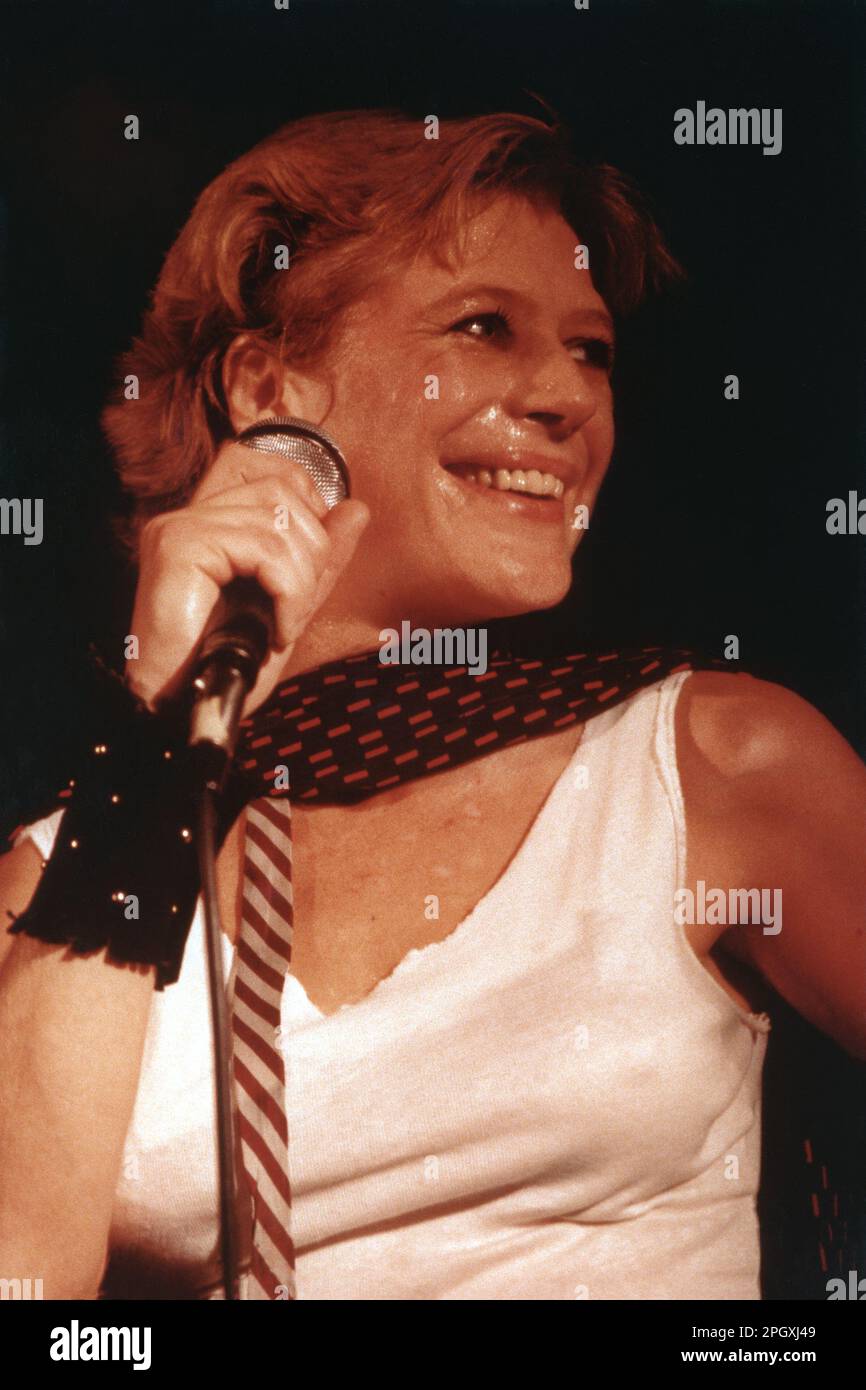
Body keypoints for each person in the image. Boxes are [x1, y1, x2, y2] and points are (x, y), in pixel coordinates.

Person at [0, 109, 864, 1301]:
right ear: (271, 384)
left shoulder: (710, 764)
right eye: (482, 327)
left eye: (592, 350)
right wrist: (155, 731)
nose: (566, 393)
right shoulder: (63, 870)